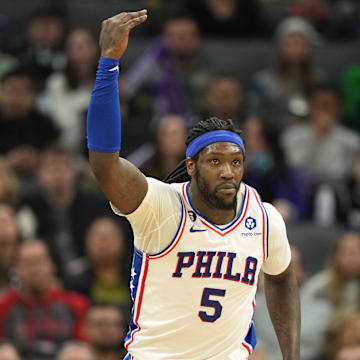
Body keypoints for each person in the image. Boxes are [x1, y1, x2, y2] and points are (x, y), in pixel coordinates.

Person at [86, 9, 300, 359]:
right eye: (215, 162)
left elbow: (280, 276)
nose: (228, 172)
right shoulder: (161, 206)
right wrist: (108, 64)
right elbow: (104, 164)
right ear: (191, 165)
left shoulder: (264, 219)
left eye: (235, 162)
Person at [0, 240, 89, 360]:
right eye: (28, 264)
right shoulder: (4, 306)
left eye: (39, 262)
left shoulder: (76, 304)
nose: (35, 270)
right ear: (16, 269)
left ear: (51, 265)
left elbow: (84, 345)